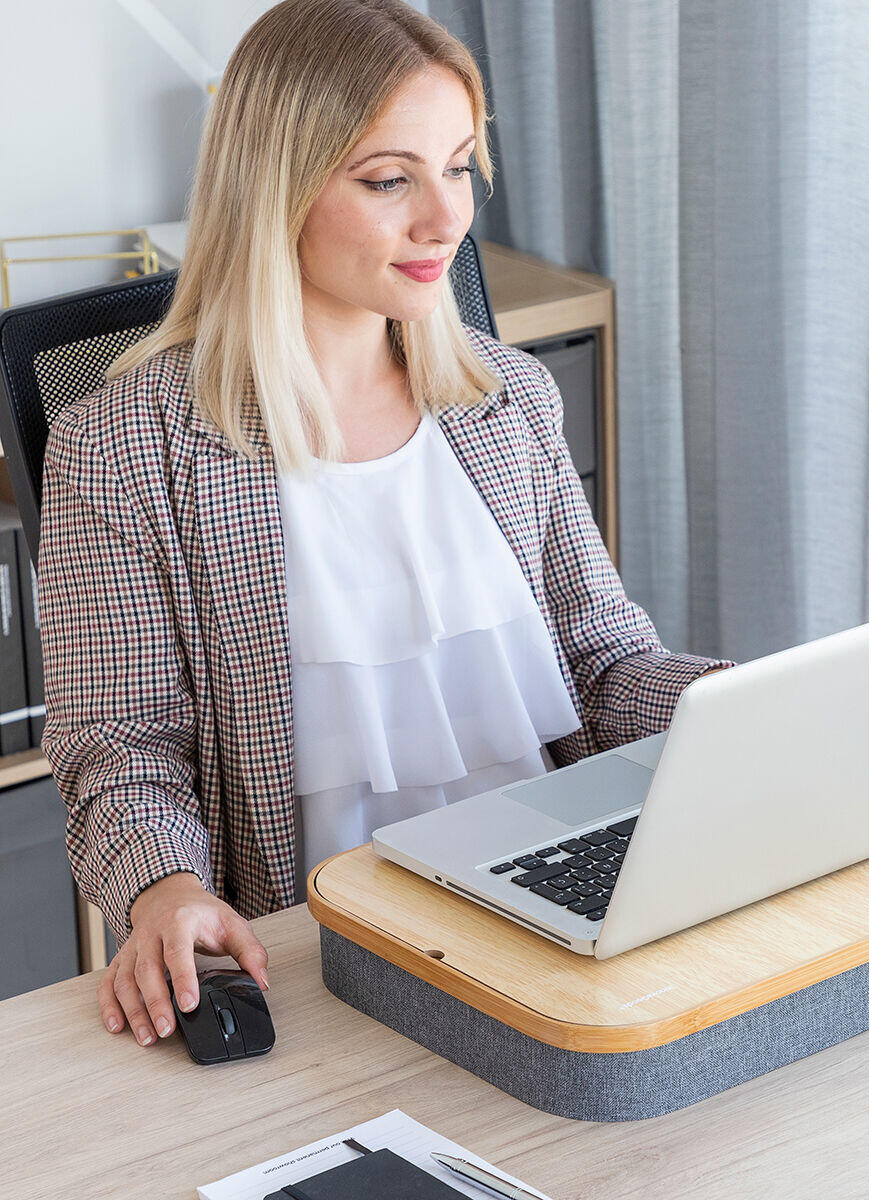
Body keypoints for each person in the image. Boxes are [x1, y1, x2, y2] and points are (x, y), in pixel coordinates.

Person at [37, 0, 735, 1052]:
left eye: (457, 166)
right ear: (275, 189)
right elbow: (122, 750)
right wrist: (165, 890)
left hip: (563, 930)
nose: (446, 219)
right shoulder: (127, 448)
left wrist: (742, 711)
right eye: (388, 178)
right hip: (329, 961)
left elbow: (599, 664)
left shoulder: (508, 400)